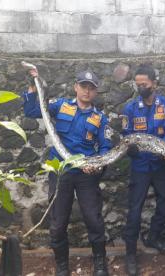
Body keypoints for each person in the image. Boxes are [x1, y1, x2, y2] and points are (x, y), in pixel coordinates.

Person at [23, 69, 112, 276]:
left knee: (93, 218)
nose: (87, 91)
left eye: (91, 88)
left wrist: (98, 164)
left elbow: (105, 147)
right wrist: (32, 85)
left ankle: (100, 263)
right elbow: (33, 111)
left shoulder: (100, 119)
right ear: (75, 87)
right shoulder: (60, 105)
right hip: (61, 170)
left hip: (85, 174)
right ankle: (62, 265)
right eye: (83, 86)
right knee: (58, 221)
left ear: (96, 92)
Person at [121, 64, 165, 276]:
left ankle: (153, 236)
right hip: (140, 166)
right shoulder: (130, 109)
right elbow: (126, 136)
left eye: (143, 84)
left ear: (153, 83)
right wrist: (131, 148)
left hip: (161, 164)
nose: (140, 87)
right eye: (137, 84)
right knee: (134, 210)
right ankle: (130, 253)